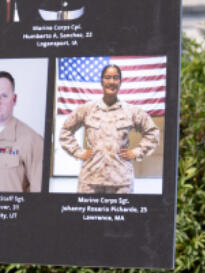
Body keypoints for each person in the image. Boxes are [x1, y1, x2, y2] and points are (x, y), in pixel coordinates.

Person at [58, 64, 161, 194]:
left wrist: (137, 152)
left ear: (120, 82)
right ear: (102, 81)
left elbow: (153, 133)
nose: (111, 82)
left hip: (121, 182)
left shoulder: (131, 111)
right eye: (107, 77)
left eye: (115, 78)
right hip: (90, 181)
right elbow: (65, 131)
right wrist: (78, 152)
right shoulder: (88, 109)